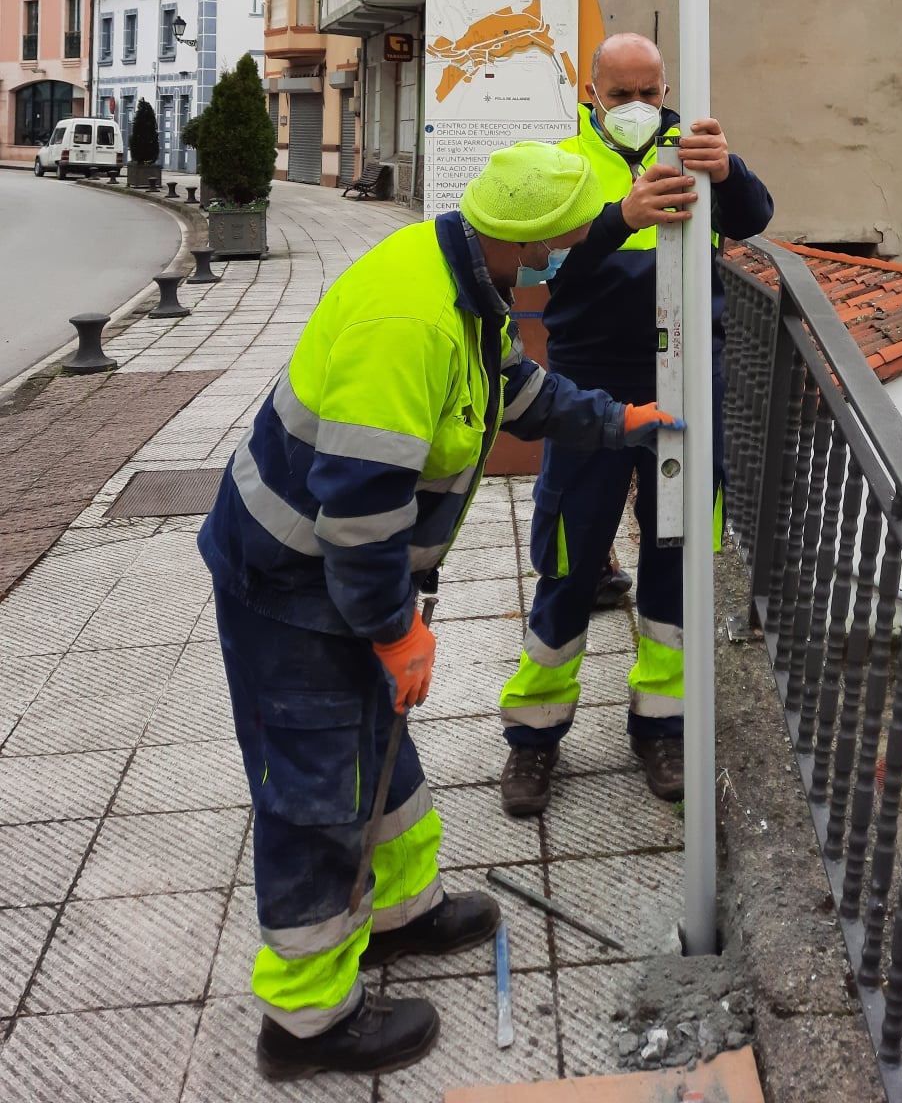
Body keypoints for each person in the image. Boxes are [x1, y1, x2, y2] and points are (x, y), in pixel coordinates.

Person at [198, 142, 676, 1081]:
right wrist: (393, 630)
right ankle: (303, 1023)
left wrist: (615, 419)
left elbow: (516, 387)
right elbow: (359, 512)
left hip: (335, 568)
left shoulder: (465, 277)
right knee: (315, 790)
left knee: (378, 745)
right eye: (566, 238)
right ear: (526, 236)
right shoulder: (409, 319)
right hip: (290, 576)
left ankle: (397, 918)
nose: (567, 253)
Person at [498, 33, 773, 816]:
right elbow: (541, 265)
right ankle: (533, 738)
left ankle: (661, 725)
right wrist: (618, 217)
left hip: (686, 378)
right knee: (570, 555)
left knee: (675, 555)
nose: (638, 108)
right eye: (621, 95)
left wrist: (730, 170)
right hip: (591, 383)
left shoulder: (694, 148)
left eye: (650, 91)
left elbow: (754, 218)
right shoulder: (561, 164)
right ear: (591, 94)